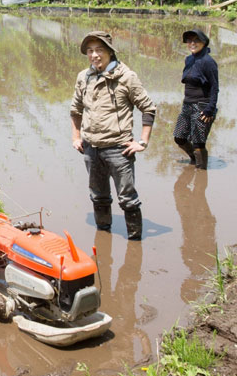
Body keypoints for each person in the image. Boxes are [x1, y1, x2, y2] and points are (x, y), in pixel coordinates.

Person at [69, 31, 156, 241]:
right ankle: (103, 238)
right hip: (90, 148)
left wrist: (142, 141)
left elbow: (148, 108)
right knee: (98, 196)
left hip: (119, 148)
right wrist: (76, 137)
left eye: (99, 50)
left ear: (109, 51)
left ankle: (135, 242)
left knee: (128, 199)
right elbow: (75, 110)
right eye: (90, 51)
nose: (94, 55)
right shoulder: (84, 77)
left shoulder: (126, 77)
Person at [173, 29, 219, 170]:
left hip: (202, 106)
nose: (192, 43)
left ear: (204, 43)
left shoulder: (208, 62)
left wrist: (210, 109)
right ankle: (194, 158)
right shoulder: (189, 59)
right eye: (190, 41)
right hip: (187, 104)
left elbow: (214, 87)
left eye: (196, 40)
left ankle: (201, 173)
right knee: (179, 137)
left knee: (199, 141)